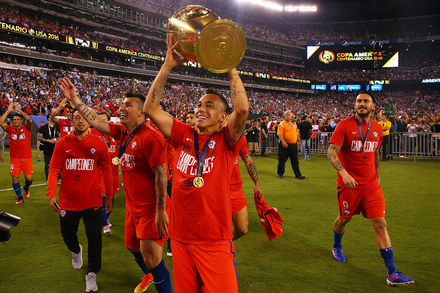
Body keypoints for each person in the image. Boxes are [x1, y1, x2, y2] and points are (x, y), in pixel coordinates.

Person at [143, 34, 249, 292]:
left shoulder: (227, 139)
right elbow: (150, 109)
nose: (201, 108)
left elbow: (243, 110)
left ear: (224, 118)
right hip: (180, 239)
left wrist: (229, 65)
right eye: (199, 104)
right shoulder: (183, 134)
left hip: (214, 239)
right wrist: (167, 65)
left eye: (209, 105)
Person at [58, 78, 172, 293]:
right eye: (122, 104)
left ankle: (163, 287)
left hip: (150, 209)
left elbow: (160, 175)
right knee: (132, 246)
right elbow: (96, 121)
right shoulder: (124, 132)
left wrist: (160, 211)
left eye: (128, 105)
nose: (121, 107)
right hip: (133, 207)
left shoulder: (151, 137)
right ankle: (149, 276)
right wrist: (74, 98)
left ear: (141, 112)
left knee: (152, 258)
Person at [327, 91, 414, 286]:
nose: (362, 104)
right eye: (359, 101)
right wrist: (344, 173)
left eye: (366, 101)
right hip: (349, 185)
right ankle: (337, 246)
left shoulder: (376, 127)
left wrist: (378, 175)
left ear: (373, 106)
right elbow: (331, 153)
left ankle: (391, 273)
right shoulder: (344, 125)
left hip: (371, 185)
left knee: (380, 224)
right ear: (355, 105)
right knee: (344, 219)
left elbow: (374, 152)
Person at [47, 108, 113, 292]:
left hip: (92, 200)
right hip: (68, 201)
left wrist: (109, 195)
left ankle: (92, 273)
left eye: (84, 117)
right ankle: (76, 250)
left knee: (95, 239)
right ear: (72, 120)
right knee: (67, 235)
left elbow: (107, 170)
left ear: (90, 121)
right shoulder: (62, 143)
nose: (81, 121)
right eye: (77, 117)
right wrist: (51, 193)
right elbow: (53, 169)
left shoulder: (99, 143)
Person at [90, 110, 120, 236]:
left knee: (111, 200)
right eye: (100, 120)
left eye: (104, 120)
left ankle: (105, 218)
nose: (102, 122)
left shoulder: (114, 134)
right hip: (100, 173)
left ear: (109, 121)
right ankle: (105, 225)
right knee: (103, 198)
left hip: (113, 172)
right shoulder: (92, 133)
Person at [0, 103, 34, 205]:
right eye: (14, 120)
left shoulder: (26, 128)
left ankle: (26, 187)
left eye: (18, 119)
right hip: (15, 158)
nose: (15, 121)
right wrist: (8, 111)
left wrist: (21, 111)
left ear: (21, 121)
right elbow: (1, 122)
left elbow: (30, 121)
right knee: (15, 178)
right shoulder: (10, 129)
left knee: (29, 178)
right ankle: (20, 197)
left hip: (27, 158)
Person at [277, 110, 305, 179]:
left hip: (293, 145)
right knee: (282, 160)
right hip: (285, 145)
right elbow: (280, 134)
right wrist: (283, 142)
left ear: (292, 116)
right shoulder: (281, 124)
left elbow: (296, 133)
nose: (287, 116)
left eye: (288, 115)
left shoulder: (294, 124)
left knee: (295, 160)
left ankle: (298, 175)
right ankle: (280, 173)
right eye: (286, 115)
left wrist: (298, 141)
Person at [37, 114, 60, 181]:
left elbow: (60, 136)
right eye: (53, 117)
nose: (55, 118)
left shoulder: (57, 127)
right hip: (47, 149)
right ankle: (48, 179)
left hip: (56, 149)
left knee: (57, 164)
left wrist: (57, 140)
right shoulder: (44, 127)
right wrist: (48, 140)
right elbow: (38, 137)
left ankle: (58, 178)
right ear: (49, 118)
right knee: (48, 164)